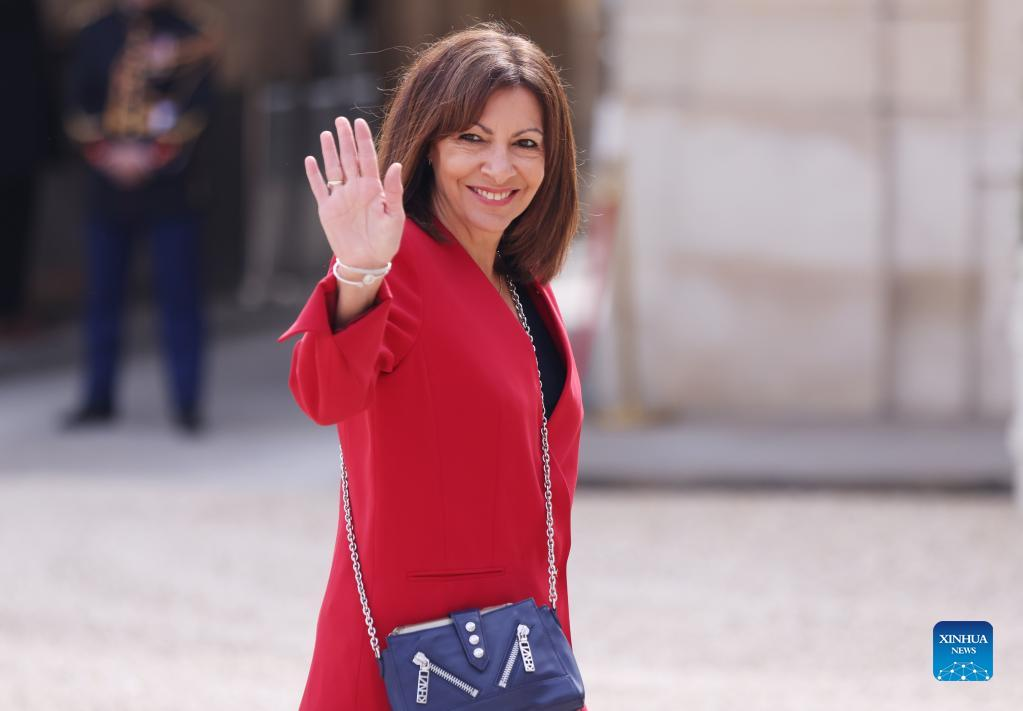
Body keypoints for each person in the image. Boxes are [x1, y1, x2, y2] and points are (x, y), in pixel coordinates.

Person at [279, 23, 587, 710]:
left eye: (525, 144)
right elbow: (325, 392)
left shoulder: (525, 286)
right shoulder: (397, 262)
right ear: (428, 144)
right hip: (415, 663)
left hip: (523, 657)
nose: (499, 168)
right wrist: (358, 271)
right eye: (471, 138)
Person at [62, 0, 215, 432]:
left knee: (179, 296)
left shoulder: (189, 34)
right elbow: (75, 104)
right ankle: (98, 397)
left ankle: (186, 401)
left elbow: (200, 107)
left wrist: (151, 156)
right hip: (107, 187)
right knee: (102, 297)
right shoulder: (94, 34)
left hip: (170, 190)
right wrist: (107, 153)